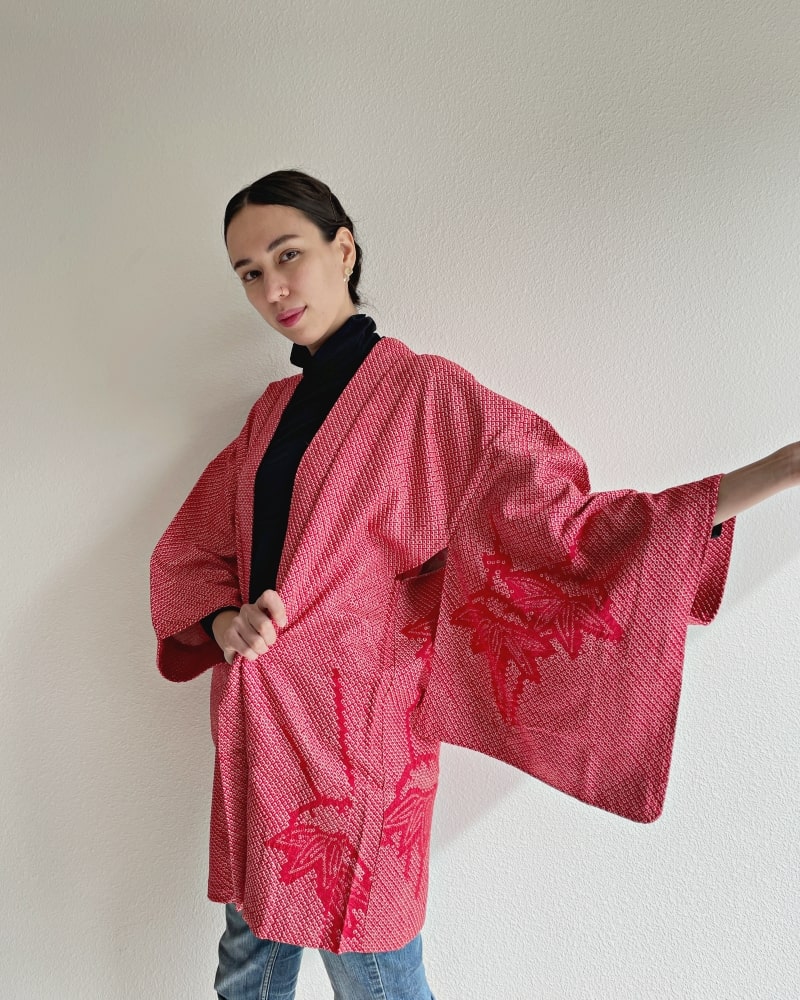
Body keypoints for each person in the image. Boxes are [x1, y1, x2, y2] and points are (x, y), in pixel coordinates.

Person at [150, 169, 799, 1000]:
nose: (272, 286)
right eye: (248, 271)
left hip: (357, 747)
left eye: (289, 254)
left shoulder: (427, 396)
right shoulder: (270, 411)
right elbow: (195, 549)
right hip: (257, 732)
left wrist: (778, 469)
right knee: (246, 969)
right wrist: (225, 619)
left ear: (342, 249)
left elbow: (561, 521)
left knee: (374, 970)